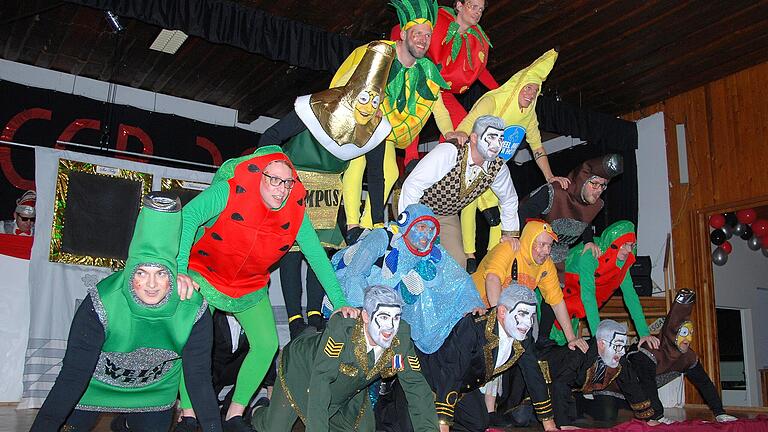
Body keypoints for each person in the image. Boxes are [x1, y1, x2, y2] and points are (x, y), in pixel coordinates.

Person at [174, 146, 354, 431]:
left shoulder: (295, 213)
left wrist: (340, 300)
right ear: (259, 175)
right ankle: (188, 412)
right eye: (274, 180)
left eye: (287, 182)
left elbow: (317, 257)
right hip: (205, 274)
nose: (281, 189)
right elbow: (187, 217)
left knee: (267, 344)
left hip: (248, 284)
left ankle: (235, 413)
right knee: (195, 343)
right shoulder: (229, 191)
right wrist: (181, 271)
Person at [30, 192, 221, 432]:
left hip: (154, 391)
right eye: (142, 272)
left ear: (172, 274)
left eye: (161, 273)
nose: (152, 285)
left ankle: (127, 423)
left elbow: (199, 380)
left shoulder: (192, 309)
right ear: (130, 270)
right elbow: (72, 375)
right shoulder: (102, 302)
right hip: (96, 385)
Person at [447, 49, 571, 273]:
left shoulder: (530, 116)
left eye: (535, 90)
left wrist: (550, 176)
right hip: (474, 161)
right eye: (528, 87)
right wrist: (460, 134)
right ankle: (470, 256)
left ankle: (494, 260)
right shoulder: (494, 101)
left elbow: (538, 148)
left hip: (498, 169)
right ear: (518, 84)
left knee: (502, 213)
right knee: (471, 200)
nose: (530, 93)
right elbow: (469, 123)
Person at [250, 285, 439, 432]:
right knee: (274, 428)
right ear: (366, 316)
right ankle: (258, 409)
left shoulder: (401, 337)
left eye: (396, 318)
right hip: (302, 371)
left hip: (349, 388)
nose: (390, 326)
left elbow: (417, 387)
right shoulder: (342, 331)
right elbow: (320, 383)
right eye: (383, 317)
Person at [377, 284, 557, 432]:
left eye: (532, 316)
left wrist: (549, 425)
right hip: (429, 378)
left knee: (478, 423)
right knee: (405, 427)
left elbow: (534, 375)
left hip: (461, 386)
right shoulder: (474, 326)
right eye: (523, 314)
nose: (528, 323)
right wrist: (443, 424)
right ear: (502, 312)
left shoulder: (522, 339)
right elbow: (451, 371)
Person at [341, 0, 449, 240]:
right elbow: (349, 79)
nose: (423, 39)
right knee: (358, 164)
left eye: (427, 34)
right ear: (403, 34)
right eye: (417, 33)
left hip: (386, 132)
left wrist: (450, 133)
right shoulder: (380, 53)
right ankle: (352, 225)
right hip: (362, 124)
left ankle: (369, 225)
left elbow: (437, 106)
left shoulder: (427, 71)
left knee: (390, 171)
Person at [332, 203, 484, 354]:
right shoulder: (382, 237)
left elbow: (459, 279)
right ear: (407, 224)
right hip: (354, 302)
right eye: (421, 227)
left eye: (431, 229)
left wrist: (473, 305)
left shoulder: (432, 251)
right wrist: (362, 311)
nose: (427, 235)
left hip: (392, 314)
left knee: (425, 276)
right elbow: (354, 274)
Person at [398, 115, 520, 268]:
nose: (497, 145)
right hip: (417, 207)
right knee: (414, 260)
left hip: (446, 214)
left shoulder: (498, 168)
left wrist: (509, 234)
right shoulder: (450, 151)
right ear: (474, 138)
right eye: (491, 137)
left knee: (457, 264)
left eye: (501, 139)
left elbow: (509, 199)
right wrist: (409, 225)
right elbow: (412, 185)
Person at [626, 289, 738, 424]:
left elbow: (704, 383)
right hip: (624, 383)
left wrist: (719, 412)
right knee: (607, 412)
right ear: (673, 334)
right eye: (684, 333)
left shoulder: (687, 356)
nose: (688, 339)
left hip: (642, 392)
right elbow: (646, 383)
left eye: (690, 333)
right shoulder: (650, 351)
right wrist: (658, 416)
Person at [546, 220, 659, 351]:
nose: (628, 250)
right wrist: (598, 337)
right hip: (556, 296)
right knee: (550, 344)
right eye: (624, 245)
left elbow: (631, 297)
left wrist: (644, 334)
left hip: (575, 307)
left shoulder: (622, 264)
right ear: (613, 244)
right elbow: (588, 297)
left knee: (566, 349)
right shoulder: (590, 255)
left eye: (631, 245)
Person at [541, 319, 657, 427]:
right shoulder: (579, 354)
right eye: (617, 346)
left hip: (569, 391)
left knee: (599, 415)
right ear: (601, 344)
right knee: (523, 418)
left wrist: (647, 418)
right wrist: (563, 424)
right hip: (542, 381)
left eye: (623, 346)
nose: (621, 352)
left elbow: (630, 384)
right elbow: (560, 384)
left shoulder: (618, 357)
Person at [518, 153, 624, 267]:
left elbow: (585, 219)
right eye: (594, 184)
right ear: (583, 179)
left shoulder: (595, 205)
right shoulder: (556, 192)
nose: (599, 190)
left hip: (557, 264)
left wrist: (588, 241)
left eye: (603, 185)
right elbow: (522, 212)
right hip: (529, 258)